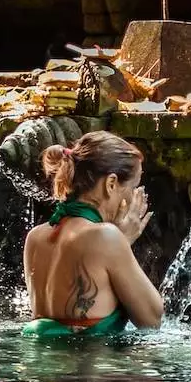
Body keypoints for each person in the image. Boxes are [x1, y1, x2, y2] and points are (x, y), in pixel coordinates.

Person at [22, 131, 163, 336]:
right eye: (133, 187)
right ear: (111, 184)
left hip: (36, 365)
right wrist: (122, 240)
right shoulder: (107, 238)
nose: (135, 197)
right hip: (89, 366)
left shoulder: (35, 237)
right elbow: (151, 319)